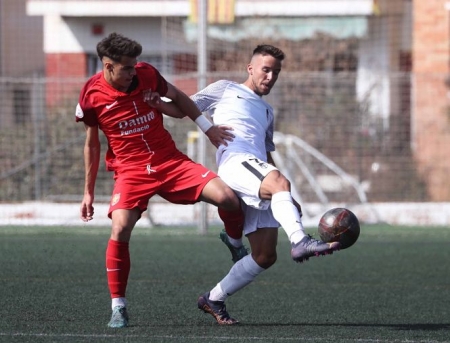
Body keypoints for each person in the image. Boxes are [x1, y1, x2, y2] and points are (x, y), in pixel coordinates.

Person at [74, 32, 246, 329]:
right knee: (120, 228)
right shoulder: (91, 95)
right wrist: (87, 192)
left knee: (229, 199)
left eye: (135, 65)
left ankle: (233, 242)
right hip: (131, 170)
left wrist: (208, 129)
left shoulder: (147, 74)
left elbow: (179, 99)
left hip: (169, 160)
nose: (133, 72)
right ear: (107, 65)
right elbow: (92, 144)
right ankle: (119, 307)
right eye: (127, 67)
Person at [189, 44, 341, 324]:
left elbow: (266, 152)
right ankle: (300, 241)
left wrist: (283, 194)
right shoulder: (225, 88)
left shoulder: (268, 111)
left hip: (256, 170)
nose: (270, 76)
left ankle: (214, 298)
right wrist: (205, 126)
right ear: (250, 68)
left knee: (265, 255)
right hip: (235, 162)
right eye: (266, 69)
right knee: (280, 184)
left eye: (276, 72)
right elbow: (184, 104)